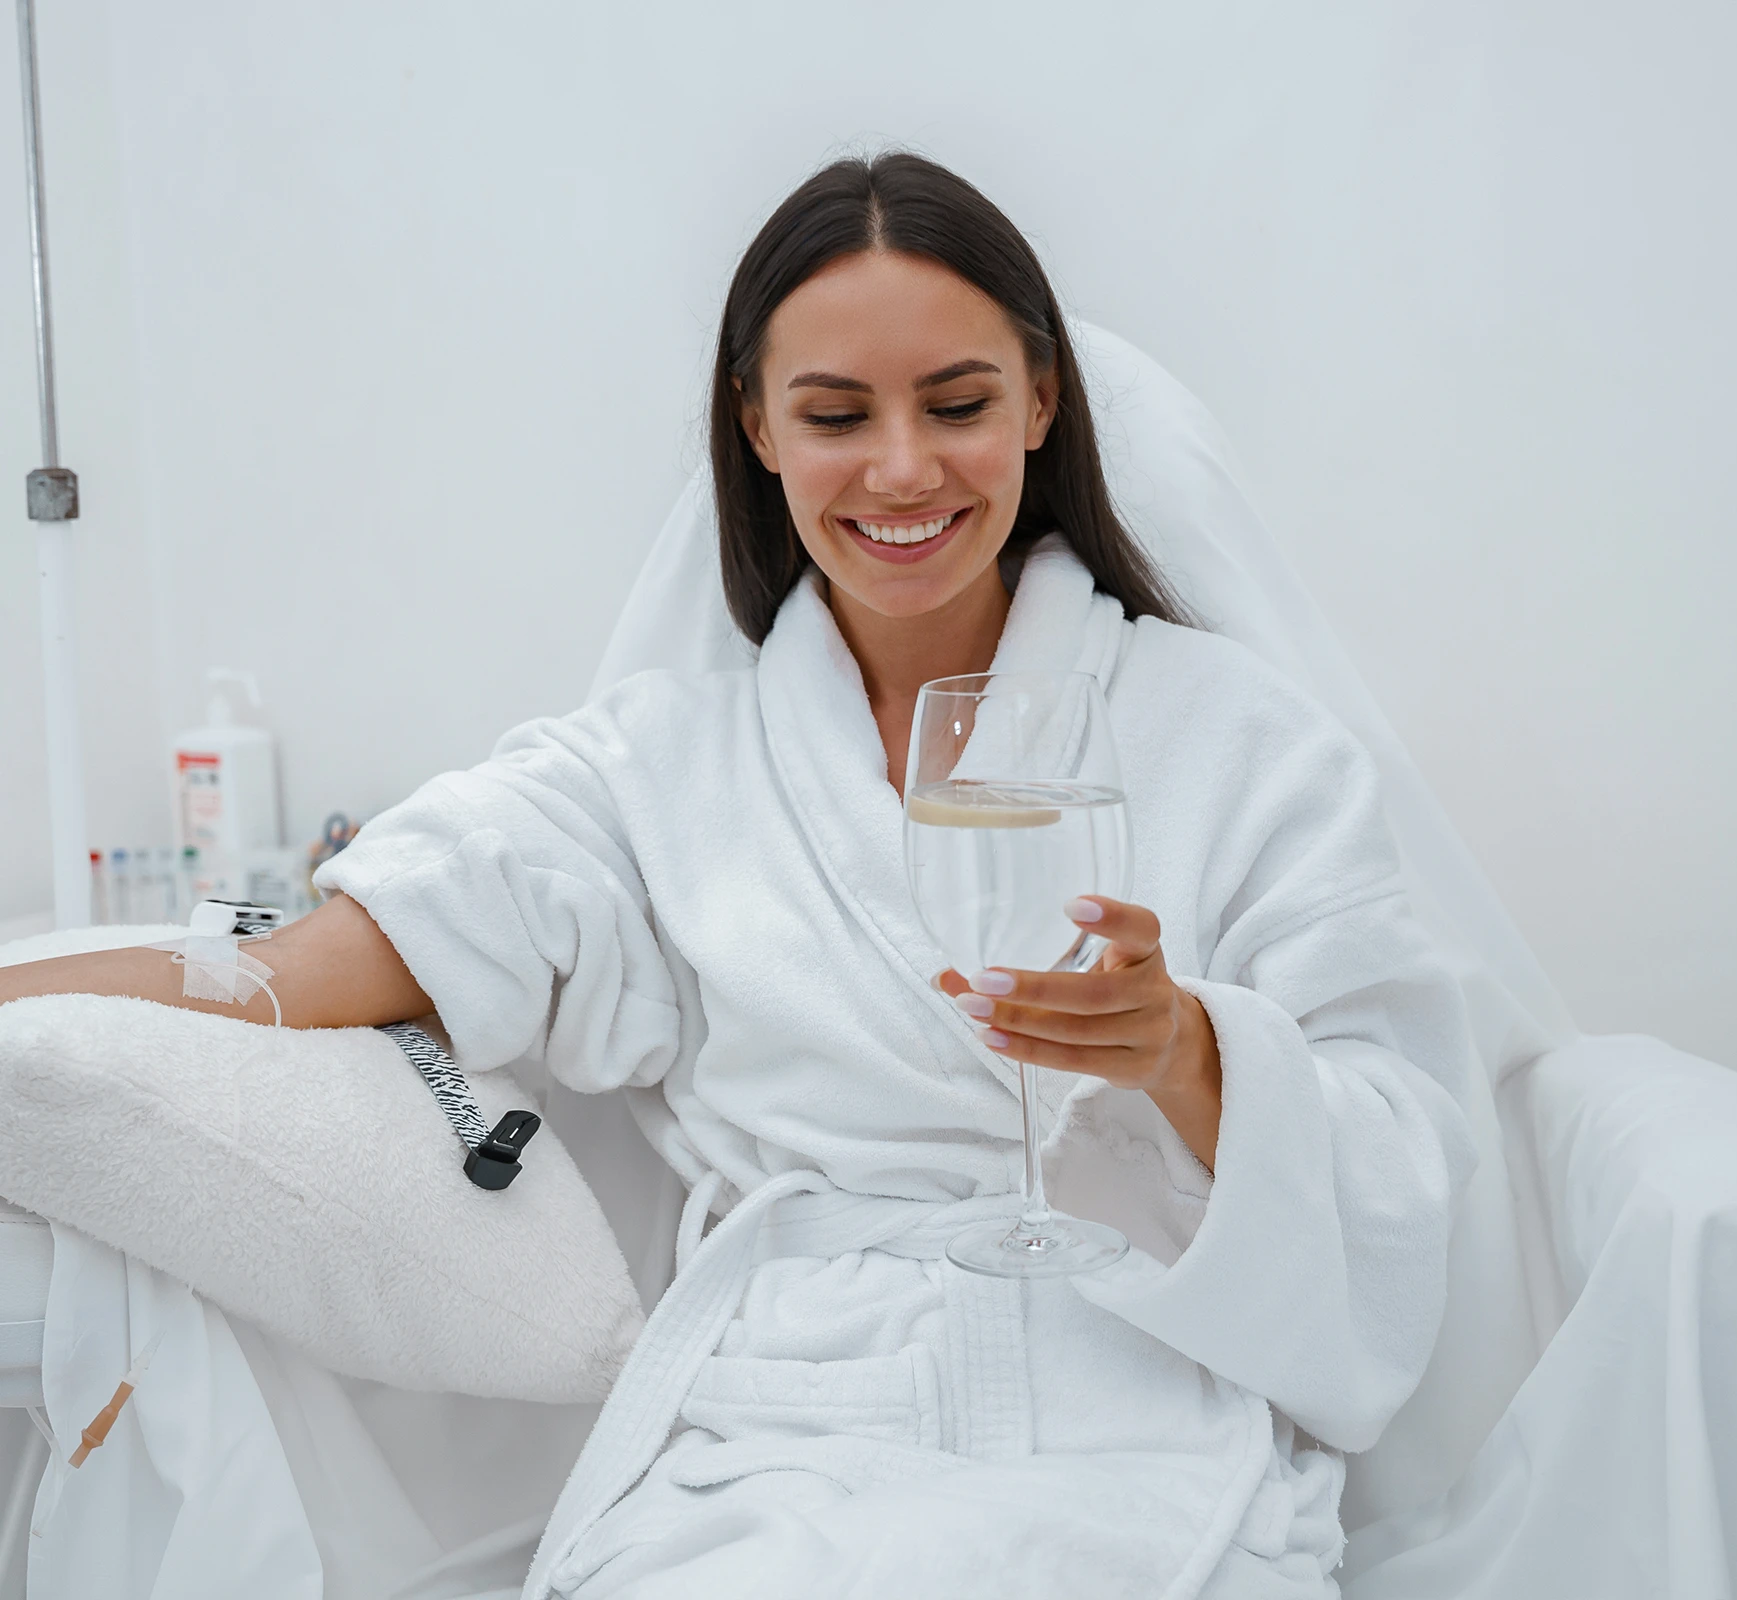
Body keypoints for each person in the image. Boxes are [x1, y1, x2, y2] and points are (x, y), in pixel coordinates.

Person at [0, 152, 1474, 1599]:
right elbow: (275, 973)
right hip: (789, 1425)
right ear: (757, 426)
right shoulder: (656, 769)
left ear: (1041, 398)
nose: (903, 469)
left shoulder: (1246, 742)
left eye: (957, 404)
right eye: (837, 414)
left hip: (1138, 1384)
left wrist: (1189, 1053)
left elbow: (1400, 1156)